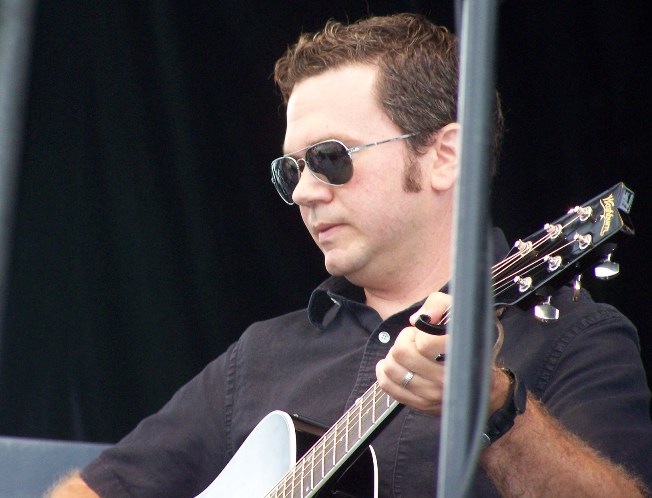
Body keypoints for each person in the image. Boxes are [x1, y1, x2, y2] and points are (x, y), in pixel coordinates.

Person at [49, 13, 652, 498]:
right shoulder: (260, 357)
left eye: (330, 158)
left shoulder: (575, 339)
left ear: (446, 156)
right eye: (291, 171)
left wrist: (496, 412)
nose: (304, 193)